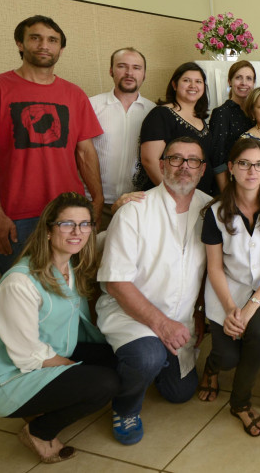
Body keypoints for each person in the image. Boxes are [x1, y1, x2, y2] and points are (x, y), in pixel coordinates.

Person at [0, 192, 118, 463]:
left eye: (85, 224)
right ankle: (39, 430)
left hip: (50, 352)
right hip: (11, 376)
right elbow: (29, 354)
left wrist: (122, 206)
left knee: (119, 357)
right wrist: (76, 369)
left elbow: (107, 238)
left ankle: (44, 406)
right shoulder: (19, 283)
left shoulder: (67, 265)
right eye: (67, 224)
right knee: (104, 383)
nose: (78, 232)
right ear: (49, 230)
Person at [97, 136, 212, 445]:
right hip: (133, 315)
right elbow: (116, 282)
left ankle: (151, 362)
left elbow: (207, 273)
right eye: (175, 159)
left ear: (202, 169)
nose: (184, 167)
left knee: (180, 394)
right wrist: (161, 324)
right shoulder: (135, 210)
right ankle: (126, 406)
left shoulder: (209, 210)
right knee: (147, 356)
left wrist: (199, 314)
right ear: (162, 166)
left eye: (193, 161)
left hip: (180, 321)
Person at [0, 15, 104, 273]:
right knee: (21, 297)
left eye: (52, 40)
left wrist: (96, 202)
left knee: (70, 292)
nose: (44, 45)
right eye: (35, 38)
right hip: (16, 217)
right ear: (20, 43)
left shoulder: (75, 94)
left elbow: (85, 153)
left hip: (69, 212)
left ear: (61, 49)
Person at [197, 138, 260, 437]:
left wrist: (250, 308)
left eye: (259, 164)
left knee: (258, 334)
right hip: (227, 286)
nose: (252, 170)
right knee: (228, 358)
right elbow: (214, 267)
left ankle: (239, 404)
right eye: (244, 163)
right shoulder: (214, 212)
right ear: (232, 168)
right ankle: (212, 367)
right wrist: (229, 309)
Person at [88, 47, 155, 229]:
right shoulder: (91, 106)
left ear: (144, 74)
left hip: (135, 205)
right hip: (93, 204)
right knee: (90, 256)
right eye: (122, 66)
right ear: (111, 71)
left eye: (136, 67)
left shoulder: (154, 112)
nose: (129, 73)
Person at [135, 62, 215, 195]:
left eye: (198, 81)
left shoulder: (201, 119)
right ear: (174, 85)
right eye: (186, 80)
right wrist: (173, 196)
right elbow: (149, 161)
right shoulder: (160, 114)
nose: (193, 86)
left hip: (200, 198)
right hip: (170, 199)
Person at [210, 60, 257, 191]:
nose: (243, 83)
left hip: (252, 180)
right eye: (238, 78)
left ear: (253, 83)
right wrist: (226, 194)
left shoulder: (255, 112)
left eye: (249, 78)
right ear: (230, 82)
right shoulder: (222, 113)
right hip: (230, 184)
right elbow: (217, 158)